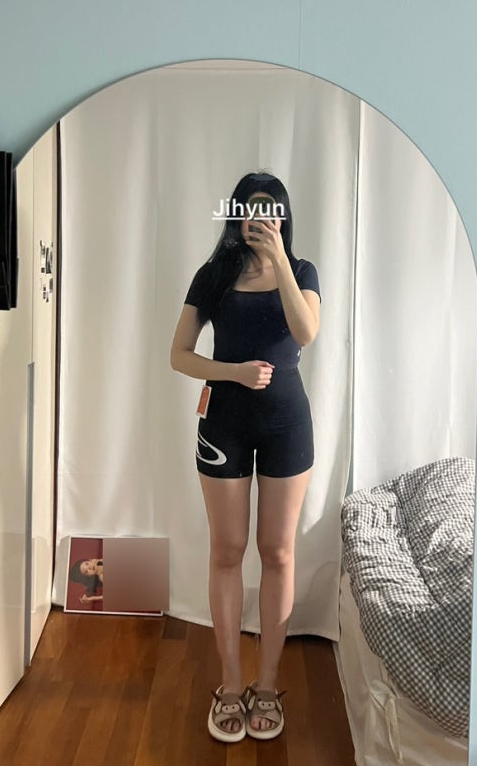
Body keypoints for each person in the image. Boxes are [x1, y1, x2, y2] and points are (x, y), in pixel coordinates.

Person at [170, 172, 320, 743]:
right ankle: (231, 684)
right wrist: (232, 372)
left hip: (286, 425)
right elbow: (180, 355)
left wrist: (279, 259)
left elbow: (305, 333)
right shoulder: (212, 275)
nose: (262, 218)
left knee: (277, 552)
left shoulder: (303, 272)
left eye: (272, 210)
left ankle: (268, 684)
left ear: (284, 216)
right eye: (253, 209)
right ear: (236, 214)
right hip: (224, 423)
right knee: (227, 550)